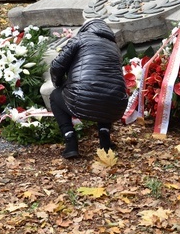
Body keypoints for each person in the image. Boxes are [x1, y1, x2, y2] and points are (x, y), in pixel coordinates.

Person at [50, 18, 129, 159]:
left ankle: (70, 142)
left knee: (55, 97)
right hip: (116, 105)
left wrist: (59, 84)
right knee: (105, 90)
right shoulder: (114, 47)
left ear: (86, 27)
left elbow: (57, 65)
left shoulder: (81, 38)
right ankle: (105, 141)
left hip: (80, 99)